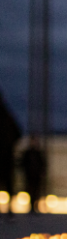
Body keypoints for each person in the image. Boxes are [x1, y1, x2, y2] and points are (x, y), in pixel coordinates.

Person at [0, 89, 22, 220]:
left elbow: (17, 133)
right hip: (7, 154)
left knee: (7, 182)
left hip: (6, 154)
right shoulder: (8, 116)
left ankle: (9, 208)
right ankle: (9, 209)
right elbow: (18, 133)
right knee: (8, 182)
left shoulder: (7, 117)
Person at [21, 136, 45, 214]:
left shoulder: (38, 153)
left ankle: (35, 206)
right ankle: (32, 207)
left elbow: (42, 164)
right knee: (31, 191)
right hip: (30, 175)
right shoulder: (28, 153)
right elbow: (23, 163)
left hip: (36, 176)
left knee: (36, 191)